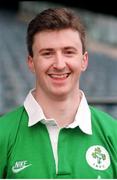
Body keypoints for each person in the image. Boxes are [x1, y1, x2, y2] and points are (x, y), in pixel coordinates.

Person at [0, 7, 117, 179]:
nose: (60, 64)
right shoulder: (3, 133)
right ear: (31, 63)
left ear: (84, 60)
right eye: (47, 53)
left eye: (69, 52)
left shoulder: (113, 133)